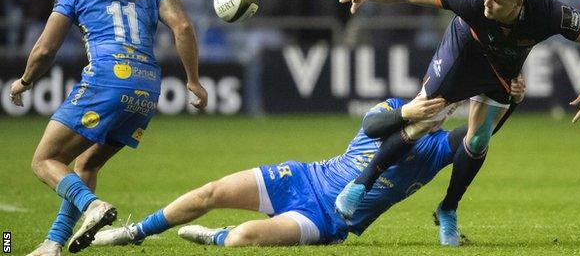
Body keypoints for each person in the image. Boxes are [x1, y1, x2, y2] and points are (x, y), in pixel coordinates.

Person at [331, 0, 580, 246]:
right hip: (461, 54)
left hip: (500, 71)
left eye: (496, 2)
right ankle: (361, 184)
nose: (486, 3)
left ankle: (448, 208)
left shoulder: (548, 12)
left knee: (480, 139)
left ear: (518, 2)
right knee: (422, 119)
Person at [90, 78, 524, 249]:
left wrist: (510, 102)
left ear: (449, 114)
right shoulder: (394, 107)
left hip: (324, 219)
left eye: (444, 107)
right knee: (211, 191)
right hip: (303, 176)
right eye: (432, 101)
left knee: (244, 241)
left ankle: (216, 236)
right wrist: (409, 113)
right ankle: (135, 232)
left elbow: (476, 140)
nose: (436, 109)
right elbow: (374, 127)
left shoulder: (437, 151)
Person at [10, 0, 208, 256]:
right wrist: (193, 80)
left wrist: (25, 81)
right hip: (147, 88)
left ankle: (93, 206)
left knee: (44, 161)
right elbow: (184, 27)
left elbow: (46, 48)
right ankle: (53, 244)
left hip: (107, 80)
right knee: (86, 164)